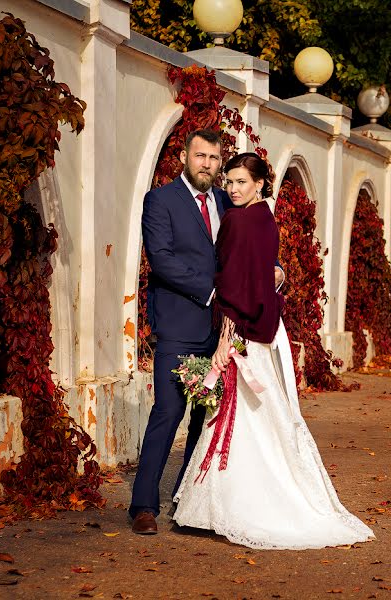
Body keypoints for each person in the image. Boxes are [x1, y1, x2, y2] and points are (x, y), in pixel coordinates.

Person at [173, 152, 374, 549]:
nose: (232, 189)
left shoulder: (237, 220)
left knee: (244, 413)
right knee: (263, 413)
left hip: (243, 329)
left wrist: (226, 337)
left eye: (240, 182)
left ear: (261, 184)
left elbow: (235, 284)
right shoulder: (265, 218)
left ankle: (239, 505)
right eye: (228, 182)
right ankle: (265, 496)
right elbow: (259, 276)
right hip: (266, 330)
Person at [130, 130, 283, 535]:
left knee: (207, 419)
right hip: (179, 327)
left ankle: (186, 500)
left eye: (214, 159)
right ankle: (143, 505)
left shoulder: (225, 198)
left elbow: (246, 251)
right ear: (185, 156)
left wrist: (276, 271)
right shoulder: (160, 200)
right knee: (167, 412)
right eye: (200, 156)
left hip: (222, 334)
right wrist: (215, 291)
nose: (207, 165)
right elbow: (160, 259)